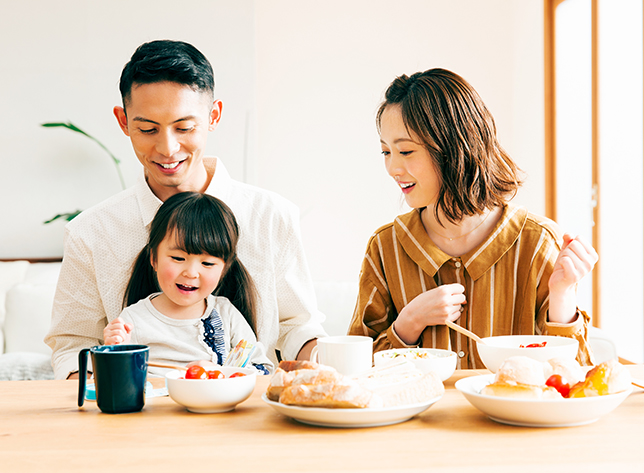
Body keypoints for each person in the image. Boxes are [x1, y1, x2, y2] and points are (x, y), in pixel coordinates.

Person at [45, 40, 326, 379]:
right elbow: (74, 344)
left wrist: (325, 367)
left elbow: (298, 327)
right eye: (147, 129)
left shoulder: (271, 215)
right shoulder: (91, 231)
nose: (167, 148)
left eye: (184, 127)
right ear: (123, 121)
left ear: (214, 116)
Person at [348, 68, 598, 369]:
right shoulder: (385, 247)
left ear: (453, 146)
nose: (392, 168)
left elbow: (574, 374)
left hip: (510, 417)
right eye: (386, 152)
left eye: (405, 151)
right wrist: (408, 324)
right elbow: (353, 372)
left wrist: (562, 294)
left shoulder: (536, 241)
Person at [103, 192, 274, 376]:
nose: (191, 273)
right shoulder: (133, 320)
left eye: (207, 263)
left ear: (224, 269)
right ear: (154, 258)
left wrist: (220, 372)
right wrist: (113, 353)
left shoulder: (227, 314)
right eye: (178, 258)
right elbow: (114, 382)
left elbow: (262, 371)